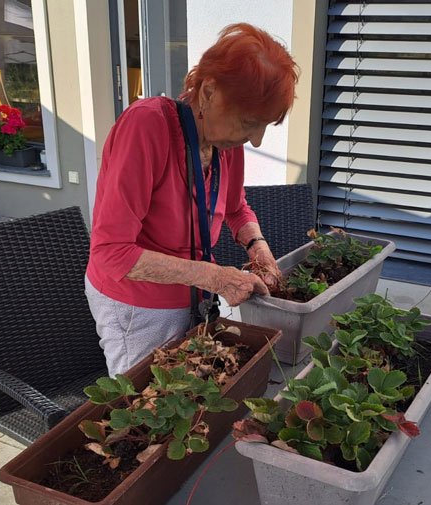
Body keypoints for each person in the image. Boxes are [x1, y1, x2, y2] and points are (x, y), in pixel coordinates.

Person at [85, 23, 299, 375]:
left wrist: (257, 245)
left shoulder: (225, 142)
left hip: (192, 297)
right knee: (150, 409)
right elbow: (111, 253)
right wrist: (216, 278)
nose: (256, 140)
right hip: (137, 307)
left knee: (194, 394)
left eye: (264, 126)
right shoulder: (147, 126)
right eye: (249, 123)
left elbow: (235, 207)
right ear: (209, 92)